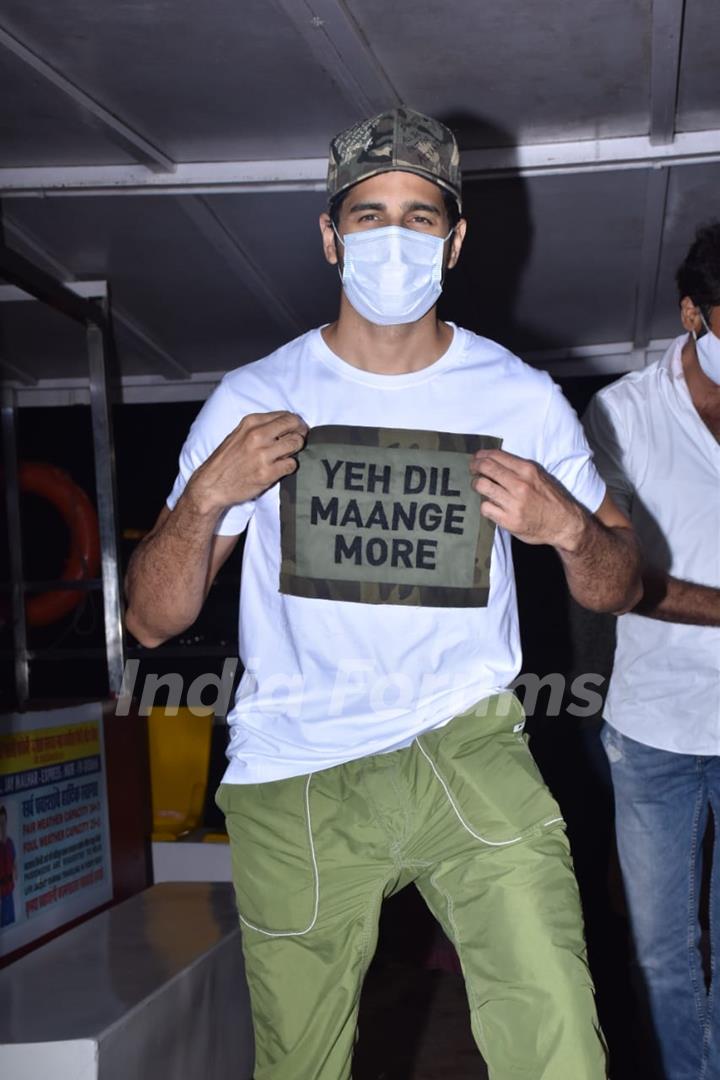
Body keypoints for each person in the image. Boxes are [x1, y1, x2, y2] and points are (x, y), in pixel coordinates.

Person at [125, 108, 641, 1080]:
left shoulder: (518, 395)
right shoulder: (252, 399)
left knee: (561, 1042)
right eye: (368, 215)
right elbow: (153, 619)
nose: (392, 239)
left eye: (418, 216)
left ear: (453, 240)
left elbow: (622, 579)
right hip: (300, 767)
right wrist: (204, 497)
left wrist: (568, 526)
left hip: (467, 743)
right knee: (301, 1066)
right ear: (329, 235)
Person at [583, 221, 720, 1080]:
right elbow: (618, 580)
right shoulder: (622, 415)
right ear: (694, 314)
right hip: (655, 735)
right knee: (664, 955)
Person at [0, 805, 17, 927]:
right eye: (0, 823)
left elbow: (15, 864)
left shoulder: (10, 843)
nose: (2, 826)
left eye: (3, 822)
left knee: (11, 921)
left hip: (9, 892)